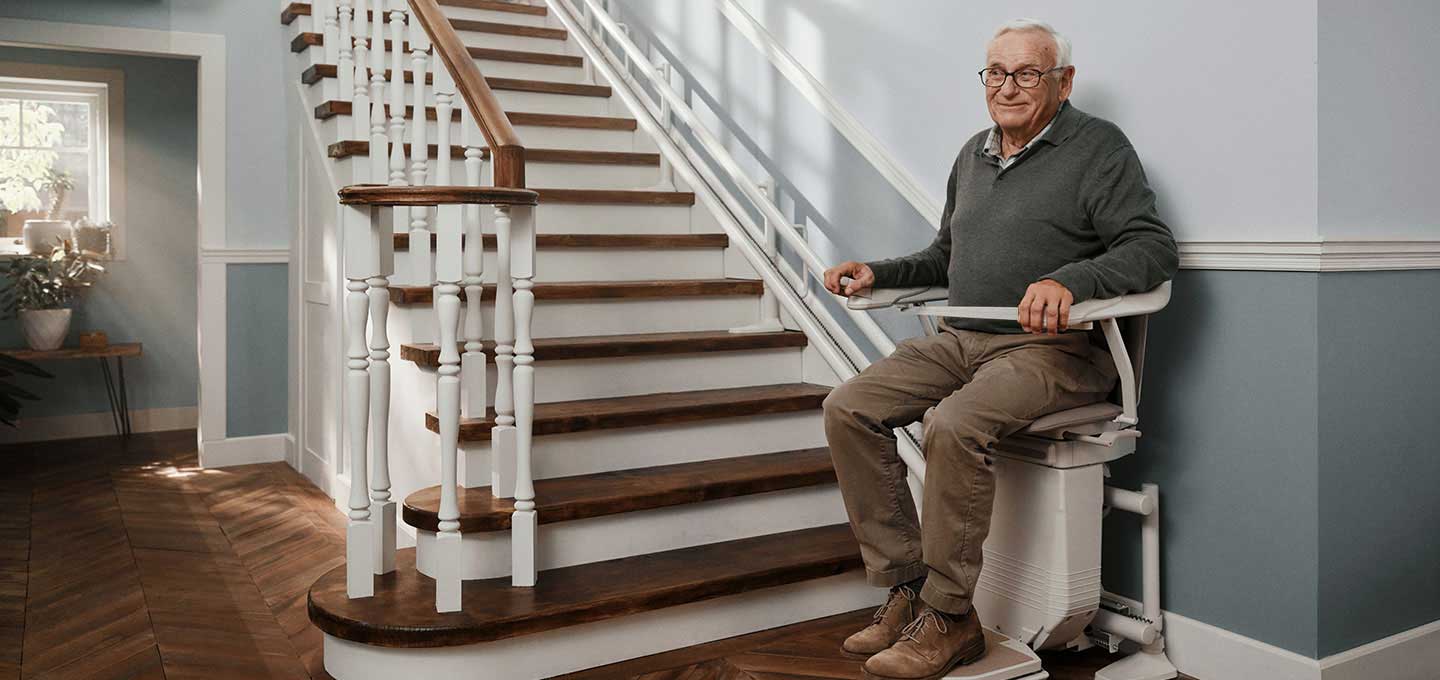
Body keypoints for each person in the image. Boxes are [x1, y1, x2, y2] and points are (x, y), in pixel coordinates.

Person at [820, 18, 1179, 680]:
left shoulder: (1098, 149)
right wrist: (880, 272)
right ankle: (910, 592)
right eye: (995, 72)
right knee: (849, 406)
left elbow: (1153, 248)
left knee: (952, 424)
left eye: (1026, 73)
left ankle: (952, 620)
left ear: (1062, 81)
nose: (1007, 87)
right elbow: (945, 256)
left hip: (1057, 353)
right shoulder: (973, 155)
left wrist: (1071, 280)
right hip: (964, 339)